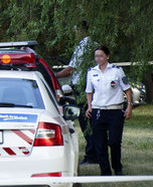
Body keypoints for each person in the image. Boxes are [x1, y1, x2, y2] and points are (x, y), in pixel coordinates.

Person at [85, 46, 133, 176]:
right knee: (99, 143)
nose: (98, 58)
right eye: (96, 56)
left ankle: (117, 167)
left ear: (107, 56)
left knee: (114, 141)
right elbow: (89, 91)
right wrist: (89, 106)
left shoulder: (117, 71)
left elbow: (127, 89)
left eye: (101, 55)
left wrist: (129, 105)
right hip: (98, 110)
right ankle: (105, 171)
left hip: (115, 110)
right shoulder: (91, 72)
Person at [55, 21, 98, 165]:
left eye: (75, 30)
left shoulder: (83, 45)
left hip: (83, 88)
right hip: (90, 86)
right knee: (91, 120)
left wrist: (54, 75)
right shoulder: (94, 44)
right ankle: (96, 152)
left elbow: (70, 69)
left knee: (86, 121)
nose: (75, 33)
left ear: (80, 29)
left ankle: (91, 154)